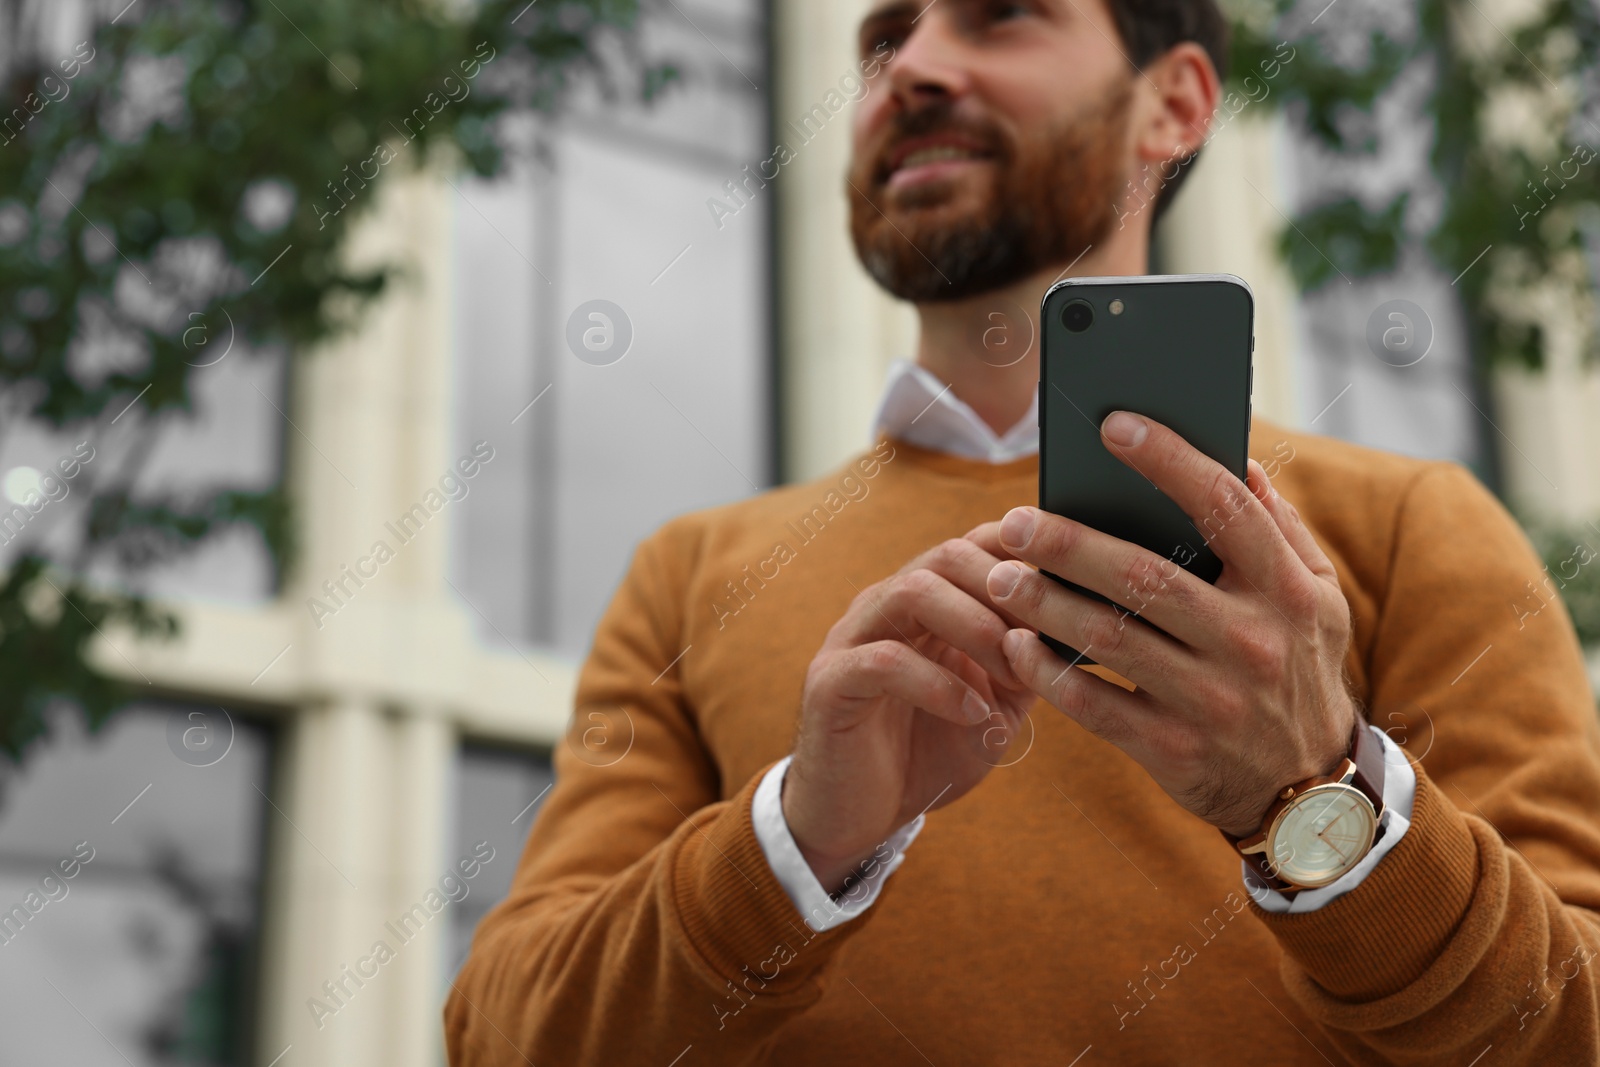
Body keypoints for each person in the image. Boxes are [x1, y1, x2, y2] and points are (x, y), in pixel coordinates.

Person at [445, 1, 1600, 1062]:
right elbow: (501, 1035)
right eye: (886, 40)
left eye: (1000, 18)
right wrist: (794, 846)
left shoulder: (1411, 526)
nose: (914, 69)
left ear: (1177, 102)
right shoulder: (692, 573)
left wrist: (1308, 794)